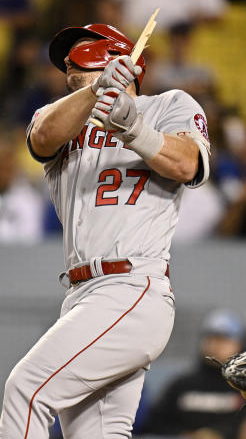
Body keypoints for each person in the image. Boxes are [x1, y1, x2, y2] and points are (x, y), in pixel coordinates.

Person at [0, 23, 211, 439]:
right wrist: (94, 92)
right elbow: (41, 138)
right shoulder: (62, 116)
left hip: (132, 287)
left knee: (25, 391)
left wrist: (136, 131)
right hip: (81, 295)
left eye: (80, 53)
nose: (68, 65)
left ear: (119, 57)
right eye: (67, 64)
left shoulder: (168, 103)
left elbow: (189, 165)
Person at [142, 309, 246, 439]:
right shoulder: (182, 385)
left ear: (240, 345)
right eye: (210, 338)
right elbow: (155, 423)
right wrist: (186, 435)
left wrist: (219, 434)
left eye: (223, 339)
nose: (215, 345)